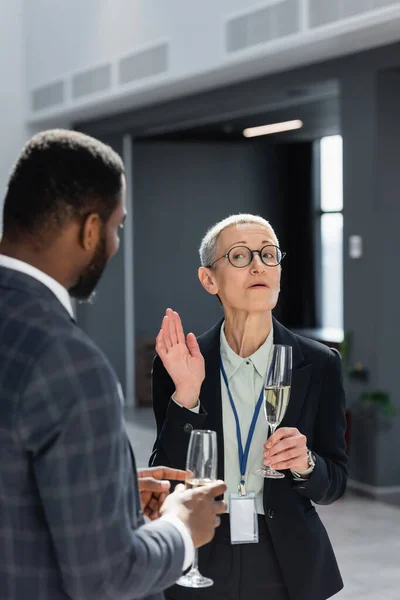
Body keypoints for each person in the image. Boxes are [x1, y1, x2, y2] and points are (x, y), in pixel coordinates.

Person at [0, 129, 227, 600]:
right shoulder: (70, 363)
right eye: (116, 227)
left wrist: (114, 490)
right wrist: (183, 528)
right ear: (89, 230)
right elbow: (106, 577)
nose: (116, 243)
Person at [150, 214, 348, 600]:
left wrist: (305, 462)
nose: (259, 265)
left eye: (269, 255)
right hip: (201, 554)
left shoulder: (320, 364)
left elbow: (334, 482)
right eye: (240, 256)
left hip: (287, 560)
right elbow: (169, 479)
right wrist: (187, 395)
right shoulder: (181, 362)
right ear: (209, 280)